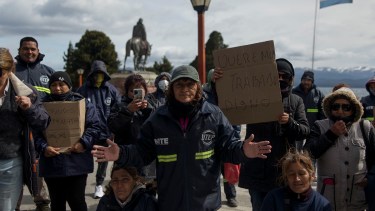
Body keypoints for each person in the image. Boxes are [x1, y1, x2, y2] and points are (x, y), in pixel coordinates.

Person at [92, 65, 272, 211]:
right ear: (171, 89)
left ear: (198, 88)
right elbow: (142, 153)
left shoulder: (214, 115)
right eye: (179, 85)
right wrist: (120, 153)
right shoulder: (157, 119)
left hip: (205, 203)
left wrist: (243, 150)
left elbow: (228, 148)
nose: (185, 89)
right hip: (170, 202)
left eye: (190, 84)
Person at [213, 58, 310, 211]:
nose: (280, 79)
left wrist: (289, 122)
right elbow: (227, 102)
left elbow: (304, 130)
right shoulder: (252, 97)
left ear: (291, 79)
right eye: (277, 75)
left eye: (285, 77)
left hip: (284, 173)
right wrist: (219, 82)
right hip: (256, 170)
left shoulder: (296, 101)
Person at [33, 71, 100, 211]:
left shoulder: (82, 103)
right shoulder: (41, 105)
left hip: (77, 164)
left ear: (69, 86)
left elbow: (95, 126)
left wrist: (83, 143)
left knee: (77, 201)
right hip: (52, 164)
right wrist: (44, 147)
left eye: (61, 84)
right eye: (54, 85)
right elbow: (36, 133)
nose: (57, 88)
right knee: (57, 203)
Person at [304, 87, 375, 211]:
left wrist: (370, 178)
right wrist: (330, 134)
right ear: (329, 108)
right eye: (335, 107)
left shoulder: (365, 127)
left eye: (346, 107)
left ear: (354, 109)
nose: (340, 111)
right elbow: (307, 154)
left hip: (358, 200)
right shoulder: (319, 126)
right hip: (327, 201)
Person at [0, 48, 50, 210]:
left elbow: (44, 122)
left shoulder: (27, 92)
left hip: (10, 163)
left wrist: (30, 109)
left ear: (9, 71)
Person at [15, 36, 55, 211]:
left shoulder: (48, 72)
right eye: (25, 49)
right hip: (15, 132)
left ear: (38, 51)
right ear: (19, 51)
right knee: (15, 173)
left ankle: (42, 203)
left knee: (37, 172)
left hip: (42, 130)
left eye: (33, 49)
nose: (29, 52)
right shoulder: (11, 71)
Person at [77, 60, 121, 199]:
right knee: (83, 159)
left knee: (103, 160)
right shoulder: (83, 90)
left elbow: (118, 110)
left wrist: (114, 131)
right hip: (87, 133)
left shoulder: (111, 90)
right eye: (96, 74)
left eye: (101, 74)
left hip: (105, 132)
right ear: (92, 74)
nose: (98, 77)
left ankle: (99, 185)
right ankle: (79, 186)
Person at [107, 74, 156, 190]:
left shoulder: (152, 105)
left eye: (139, 91)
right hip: (125, 157)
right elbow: (112, 126)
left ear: (145, 91)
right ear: (127, 91)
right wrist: (128, 111)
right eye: (132, 91)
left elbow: (159, 127)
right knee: (125, 191)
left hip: (146, 159)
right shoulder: (120, 106)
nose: (135, 94)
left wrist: (148, 110)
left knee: (147, 194)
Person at [203, 69, 240, 207]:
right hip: (208, 140)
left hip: (226, 138)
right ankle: (209, 198)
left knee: (228, 170)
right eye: (215, 79)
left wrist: (235, 137)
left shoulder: (231, 95)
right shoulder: (204, 95)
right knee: (210, 173)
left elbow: (237, 117)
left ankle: (231, 195)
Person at [260, 150, 331, 211]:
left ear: (312, 176)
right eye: (291, 174)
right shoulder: (273, 199)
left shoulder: (322, 205)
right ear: (286, 176)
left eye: (301, 173)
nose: (297, 179)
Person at [292, 70, 325, 151]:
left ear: (312, 81)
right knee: (296, 150)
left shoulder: (318, 93)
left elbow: (322, 110)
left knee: (310, 151)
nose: (306, 82)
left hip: (313, 128)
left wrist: (320, 125)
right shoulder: (293, 92)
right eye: (304, 79)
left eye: (309, 80)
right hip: (298, 127)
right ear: (301, 80)